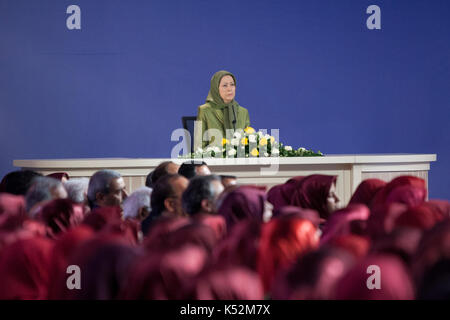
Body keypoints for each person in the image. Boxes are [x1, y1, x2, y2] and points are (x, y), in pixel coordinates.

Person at [195, 70, 250, 149]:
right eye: (225, 85)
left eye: (232, 85)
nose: (229, 89)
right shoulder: (205, 110)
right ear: (216, 88)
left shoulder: (243, 112)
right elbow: (198, 147)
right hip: (214, 159)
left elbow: (248, 144)